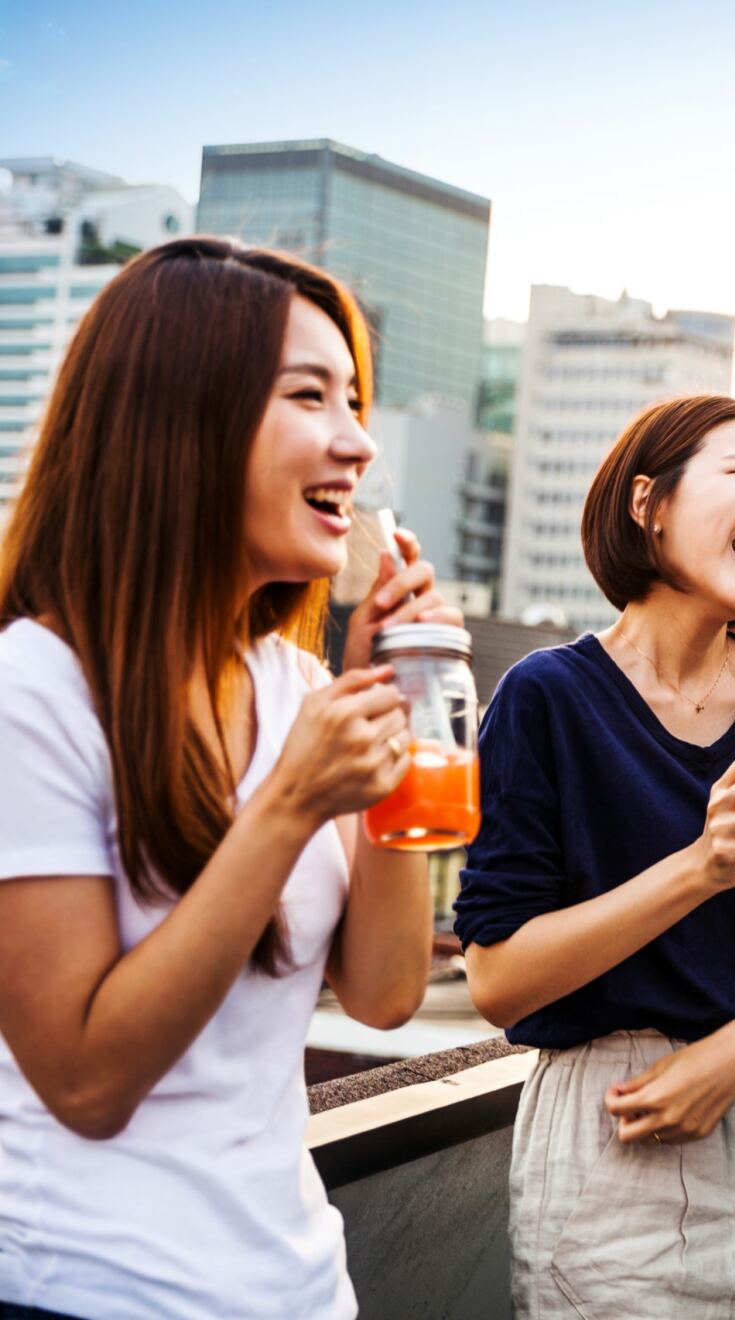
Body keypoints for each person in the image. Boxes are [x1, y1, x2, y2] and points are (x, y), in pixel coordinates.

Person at [0, 238, 457, 1319]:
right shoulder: (34, 690)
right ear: (182, 420)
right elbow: (87, 1081)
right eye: (311, 395)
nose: (356, 443)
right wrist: (290, 804)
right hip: (87, 1293)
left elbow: (388, 995)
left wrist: (383, 712)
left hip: (297, 1287)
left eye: (356, 400)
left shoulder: (299, 685)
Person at [453, 394, 735, 1320]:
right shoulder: (547, 697)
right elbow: (496, 979)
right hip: (613, 1126)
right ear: (648, 502)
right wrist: (699, 865)